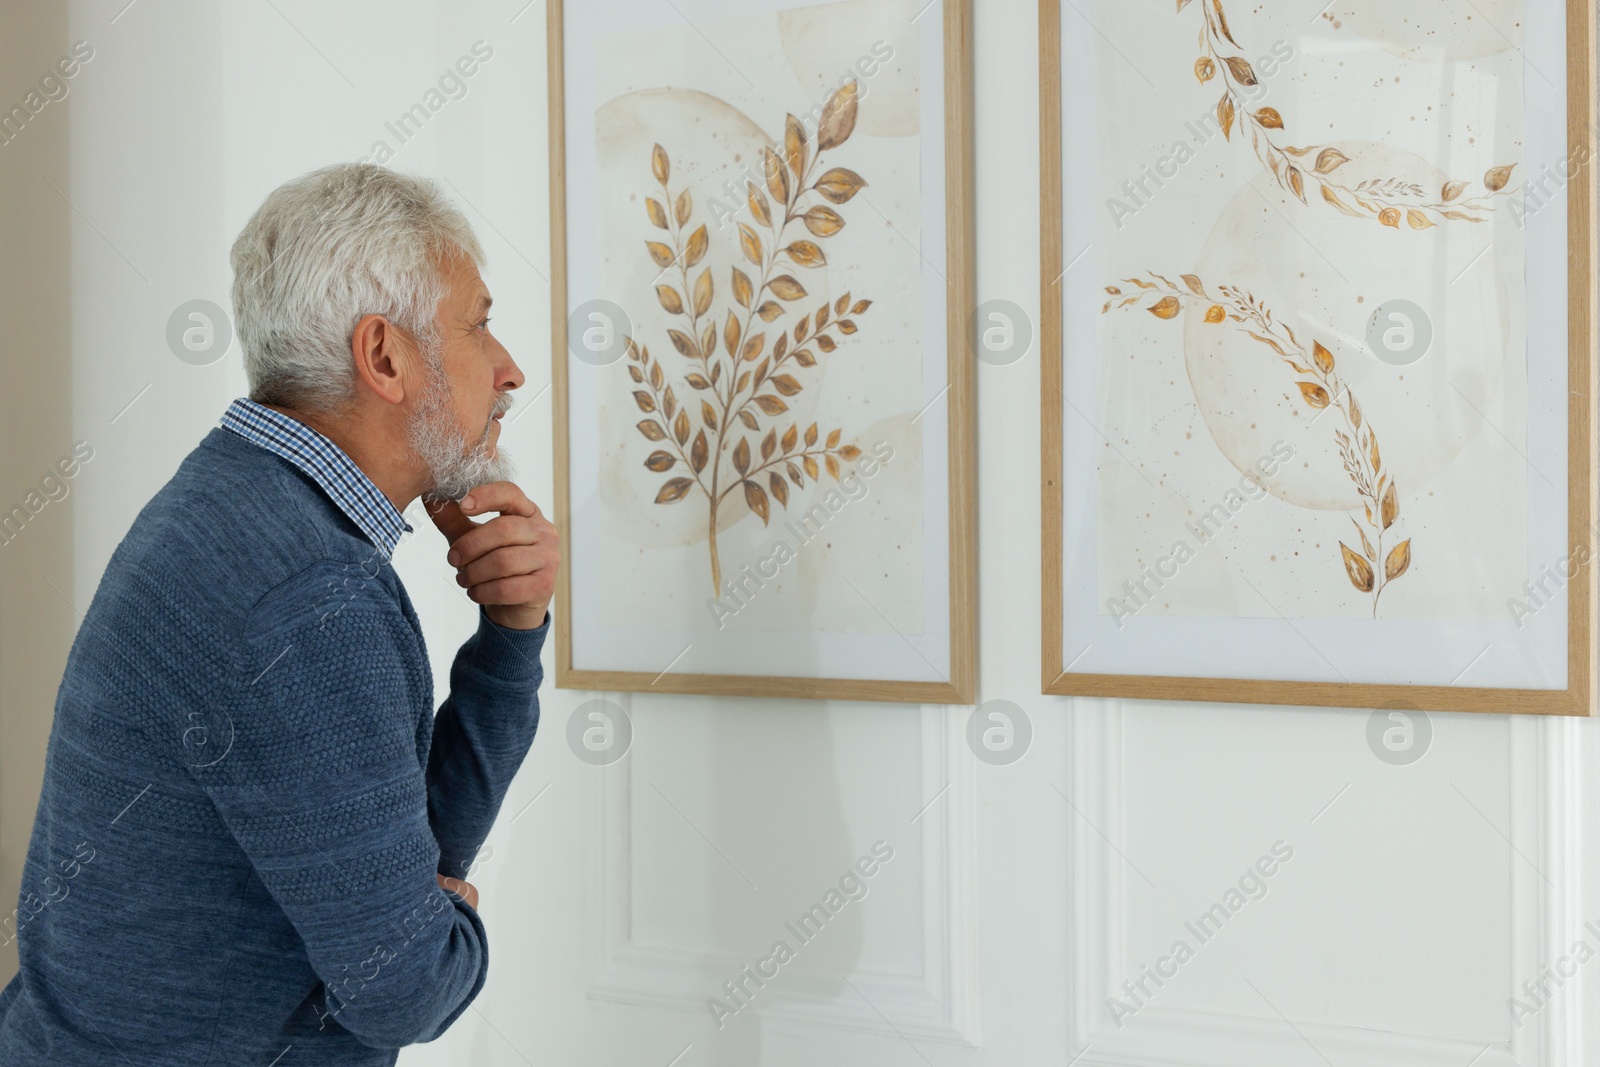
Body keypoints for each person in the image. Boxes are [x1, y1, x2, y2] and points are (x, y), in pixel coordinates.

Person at [0, 162, 558, 1064]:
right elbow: (404, 985)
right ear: (384, 356)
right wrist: (452, 916)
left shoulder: (231, 498)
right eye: (480, 324)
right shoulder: (309, 598)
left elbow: (398, 849)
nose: (509, 368)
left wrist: (513, 634)